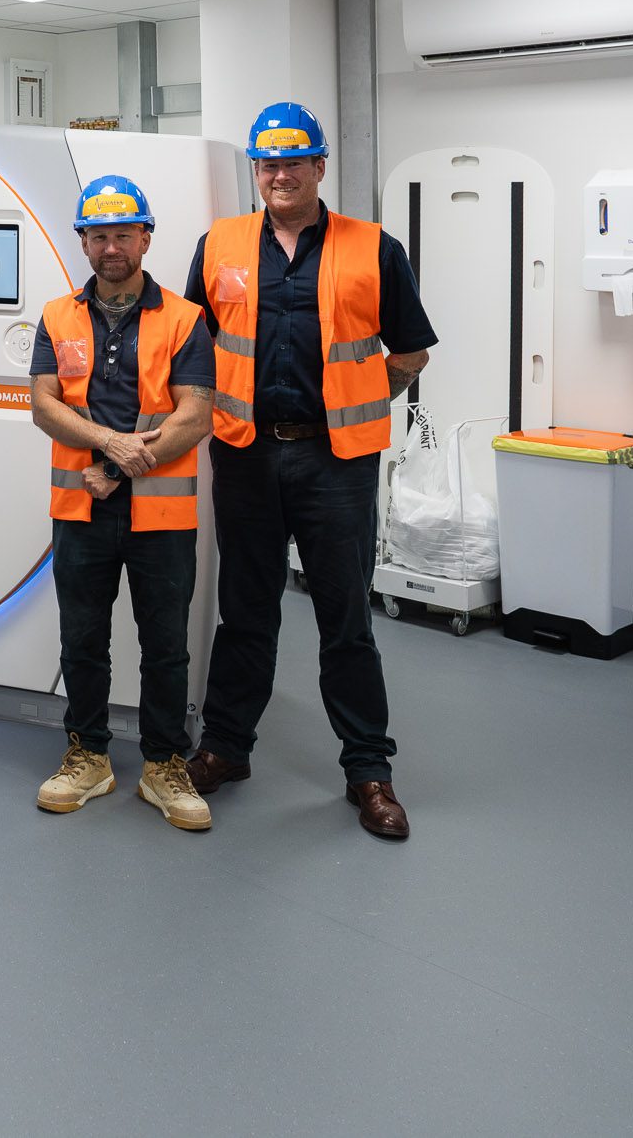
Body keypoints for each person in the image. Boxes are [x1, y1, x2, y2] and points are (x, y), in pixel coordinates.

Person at [182, 103, 436, 840]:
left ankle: (369, 770)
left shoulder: (373, 248)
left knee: (345, 619)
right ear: (256, 171)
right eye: (268, 164)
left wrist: (358, 402)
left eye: (294, 161)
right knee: (245, 611)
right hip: (245, 454)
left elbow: (411, 351)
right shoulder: (220, 244)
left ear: (320, 166)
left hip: (337, 461)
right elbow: (191, 345)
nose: (280, 175)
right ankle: (226, 747)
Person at [29, 176, 217, 831]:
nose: (112, 247)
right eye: (99, 235)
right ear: (84, 242)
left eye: (124, 234)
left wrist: (114, 465)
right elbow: (44, 405)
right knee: (82, 638)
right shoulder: (56, 316)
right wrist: (109, 442)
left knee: (165, 644)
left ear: (146, 238)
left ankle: (164, 763)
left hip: (161, 516)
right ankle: (88, 755)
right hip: (81, 510)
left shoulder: (186, 319)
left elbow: (195, 416)